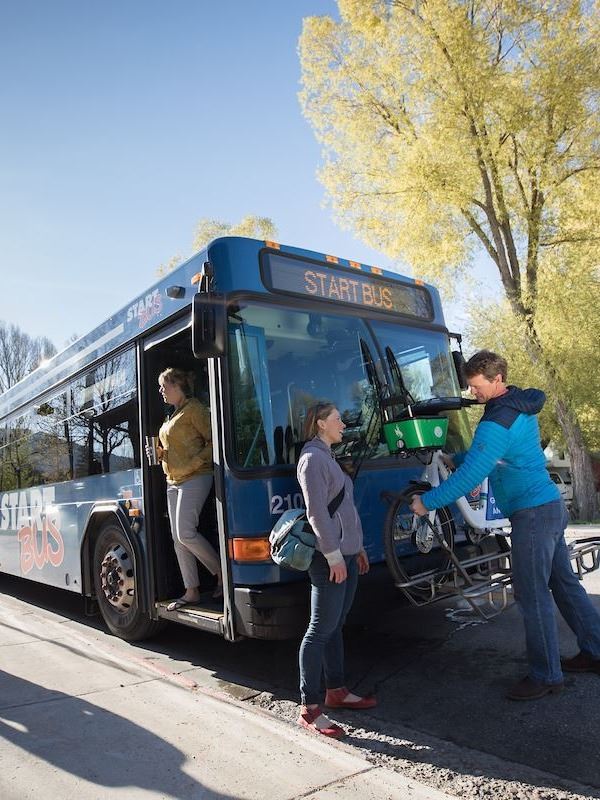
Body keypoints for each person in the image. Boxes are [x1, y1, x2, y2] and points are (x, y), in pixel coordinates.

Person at [409, 350, 600, 700]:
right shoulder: (517, 405)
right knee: (564, 584)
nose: (472, 392)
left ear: (496, 380)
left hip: (533, 514)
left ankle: (546, 676)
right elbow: (493, 452)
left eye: (476, 386)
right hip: (548, 507)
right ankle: (596, 651)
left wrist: (427, 502)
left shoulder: (498, 418)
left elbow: (472, 475)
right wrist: (458, 456)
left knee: (532, 593)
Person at [295, 402, 376, 739]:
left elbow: (343, 510)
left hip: (345, 555)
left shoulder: (327, 458)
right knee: (319, 630)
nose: (343, 424)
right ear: (319, 424)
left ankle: (337, 690)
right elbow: (317, 514)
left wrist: (355, 549)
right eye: (337, 419)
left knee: (335, 625)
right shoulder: (312, 460)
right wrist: (333, 555)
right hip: (328, 559)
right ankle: (309, 708)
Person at [148, 367, 223, 609]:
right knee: (178, 540)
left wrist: (194, 462)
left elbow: (214, 441)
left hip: (196, 476)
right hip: (173, 481)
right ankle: (191, 590)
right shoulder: (171, 415)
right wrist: (160, 453)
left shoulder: (195, 410)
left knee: (185, 533)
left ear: (177, 385)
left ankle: (222, 573)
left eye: (163, 386)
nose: (160, 391)